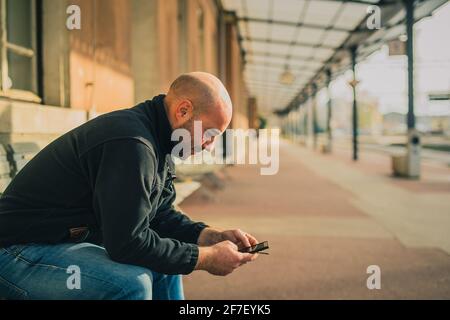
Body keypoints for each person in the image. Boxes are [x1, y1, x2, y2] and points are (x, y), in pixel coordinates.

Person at [0, 72, 258, 300]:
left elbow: (160, 216)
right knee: (129, 286)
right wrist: (207, 258)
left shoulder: (159, 140)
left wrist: (211, 236)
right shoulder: (132, 144)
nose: (209, 146)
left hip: (55, 245)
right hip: (15, 253)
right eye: (210, 134)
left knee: (163, 267)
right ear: (183, 111)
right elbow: (127, 244)